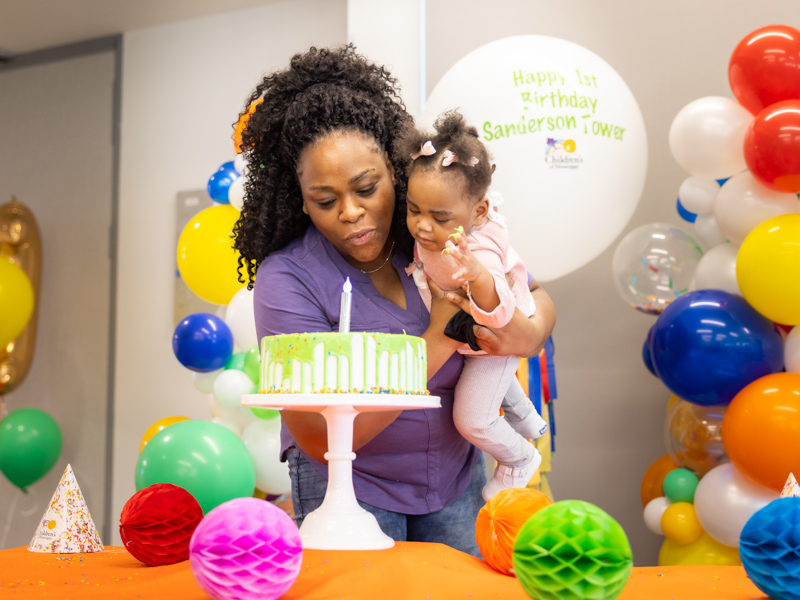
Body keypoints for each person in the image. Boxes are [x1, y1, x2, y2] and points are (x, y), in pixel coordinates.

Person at [233, 45, 555, 556]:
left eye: (367, 187)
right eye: (326, 200)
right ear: (300, 199)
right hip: (349, 492)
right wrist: (440, 336)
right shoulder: (287, 279)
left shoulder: (428, 233)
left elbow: (532, 292)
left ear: (395, 172)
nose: (352, 212)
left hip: (454, 480)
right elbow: (320, 438)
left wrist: (530, 333)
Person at [398, 111, 548, 501]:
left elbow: (500, 316)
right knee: (490, 380)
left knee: (472, 420)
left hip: (494, 337)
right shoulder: (442, 229)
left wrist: (478, 277)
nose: (423, 227)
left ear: (479, 212)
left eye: (439, 217)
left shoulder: (477, 252)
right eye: (414, 210)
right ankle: (529, 419)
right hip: (474, 342)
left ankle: (520, 458)